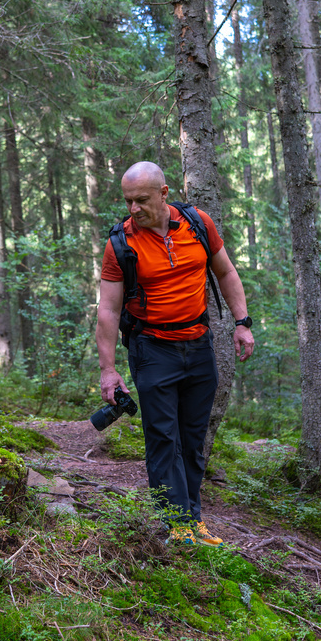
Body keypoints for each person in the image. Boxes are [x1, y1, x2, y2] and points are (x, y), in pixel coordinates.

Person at [95, 161, 255, 547]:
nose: (133, 209)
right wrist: (108, 370)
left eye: (142, 200)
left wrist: (242, 321)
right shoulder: (121, 244)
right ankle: (176, 525)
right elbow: (108, 310)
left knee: (192, 438)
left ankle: (193, 520)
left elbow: (226, 272)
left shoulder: (198, 223)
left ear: (163, 194)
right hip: (152, 349)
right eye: (128, 201)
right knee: (163, 438)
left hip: (199, 345)